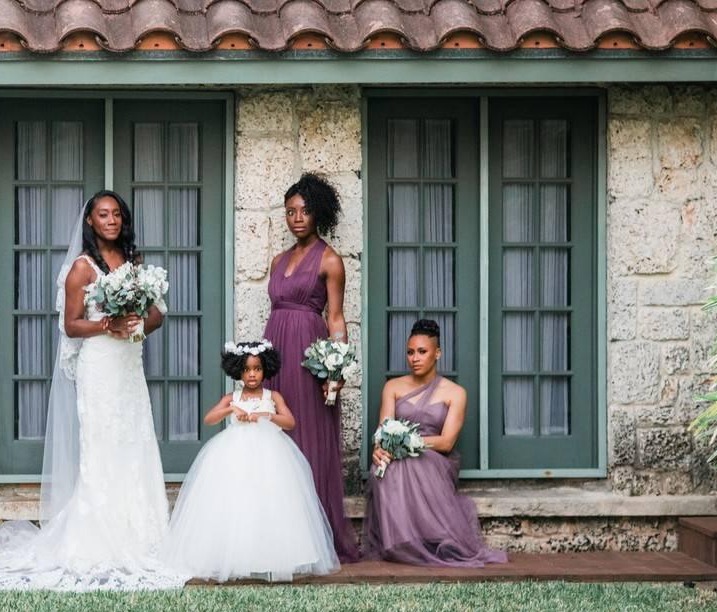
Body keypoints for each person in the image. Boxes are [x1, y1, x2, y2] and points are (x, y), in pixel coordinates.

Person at [0, 191, 188, 590]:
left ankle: (143, 535)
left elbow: (155, 315)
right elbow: (71, 325)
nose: (111, 220)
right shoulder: (81, 270)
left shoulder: (135, 263)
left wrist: (137, 322)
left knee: (134, 441)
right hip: (99, 366)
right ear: (90, 221)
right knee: (102, 445)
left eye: (117, 214)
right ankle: (100, 536)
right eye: (103, 214)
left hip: (128, 366)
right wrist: (109, 325)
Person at [161, 340, 339, 582]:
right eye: (246, 369)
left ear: (266, 368)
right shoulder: (231, 397)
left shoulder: (272, 395)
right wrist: (231, 410)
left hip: (271, 455)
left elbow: (290, 422)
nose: (252, 374)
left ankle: (270, 557)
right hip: (234, 453)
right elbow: (209, 419)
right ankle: (236, 557)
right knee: (237, 501)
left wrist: (267, 414)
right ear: (238, 371)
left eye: (256, 368)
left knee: (270, 502)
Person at [262, 172, 358, 562]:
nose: (297, 218)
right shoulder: (277, 260)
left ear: (318, 213)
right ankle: (276, 534)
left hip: (308, 356)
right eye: (290, 212)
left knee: (308, 439)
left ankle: (312, 537)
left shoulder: (330, 260)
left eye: (304, 210)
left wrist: (335, 370)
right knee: (273, 439)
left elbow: (336, 319)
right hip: (275, 352)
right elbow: (275, 310)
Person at [363, 319, 507, 567]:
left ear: (437, 353)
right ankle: (401, 541)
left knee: (415, 461)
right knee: (387, 466)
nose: (414, 358)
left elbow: (446, 442)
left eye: (422, 352)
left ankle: (428, 539)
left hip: (435, 458)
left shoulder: (455, 392)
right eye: (410, 352)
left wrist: (407, 443)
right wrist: (379, 450)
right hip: (397, 456)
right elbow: (383, 431)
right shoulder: (393, 387)